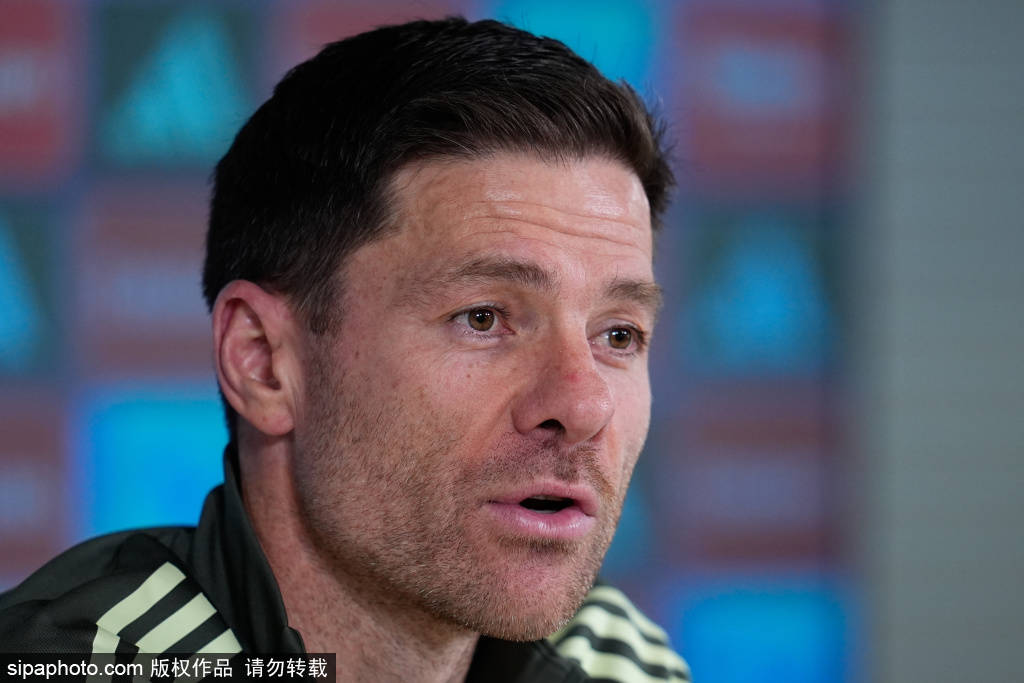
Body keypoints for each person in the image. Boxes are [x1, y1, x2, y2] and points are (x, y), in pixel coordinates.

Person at [0, 17, 690, 683]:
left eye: (619, 335)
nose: (584, 405)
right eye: (482, 318)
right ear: (264, 361)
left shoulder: (619, 659)